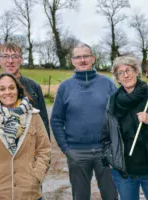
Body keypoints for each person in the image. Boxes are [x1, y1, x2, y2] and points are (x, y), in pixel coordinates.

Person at [101, 55, 148, 200]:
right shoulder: (112, 102)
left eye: (129, 70)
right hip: (124, 173)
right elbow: (106, 133)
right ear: (117, 79)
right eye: (121, 73)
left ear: (137, 71)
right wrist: (110, 158)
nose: (126, 75)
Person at [50, 43, 118, 200]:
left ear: (93, 58)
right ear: (72, 61)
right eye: (78, 57)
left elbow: (118, 117)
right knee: (80, 197)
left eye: (86, 56)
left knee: (111, 195)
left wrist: (114, 146)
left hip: (105, 152)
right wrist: (67, 149)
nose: (82, 60)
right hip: (77, 153)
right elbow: (56, 120)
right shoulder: (65, 87)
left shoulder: (107, 84)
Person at [0, 73, 51, 200]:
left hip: (29, 192)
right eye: (2, 89)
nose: (7, 92)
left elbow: (44, 148)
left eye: (11, 88)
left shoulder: (33, 116)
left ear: (18, 90)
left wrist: (36, 175)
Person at [0, 42, 50, 139]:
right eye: (5, 56)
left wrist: (46, 149)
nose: (10, 61)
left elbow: (43, 122)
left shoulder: (34, 87)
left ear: (21, 60)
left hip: (28, 148)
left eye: (15, 56)